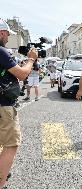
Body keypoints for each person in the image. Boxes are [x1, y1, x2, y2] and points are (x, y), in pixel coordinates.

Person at [0, 18, 38, 189]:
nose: (8, 37)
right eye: (7, 33)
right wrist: (31, 60)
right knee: (11, 145)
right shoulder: (1, 51)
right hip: (3, 106)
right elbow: (22, 75)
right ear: (1, 33)